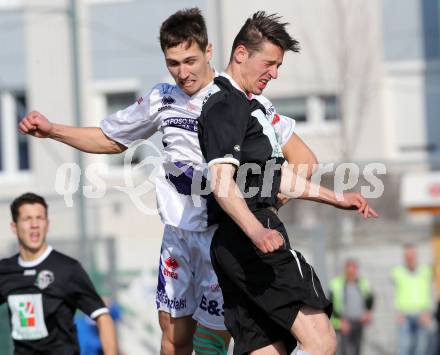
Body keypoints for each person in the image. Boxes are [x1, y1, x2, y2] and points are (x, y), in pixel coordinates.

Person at [18, 8, 318, 354]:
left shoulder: (240, 100)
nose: (183, 72)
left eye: (190, 60)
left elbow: (305, 161)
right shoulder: (162, 98)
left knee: (212, 340)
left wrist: (269, 203)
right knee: (173, 338)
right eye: (173, 63)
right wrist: (53, 130)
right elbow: (111, 138)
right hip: (176, 235)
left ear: (208, 52)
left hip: (220, 239)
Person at [198, 12, 379, 355]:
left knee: (270, 349)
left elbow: (273, 177)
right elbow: (221, 183)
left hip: (242, 241)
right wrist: (256, 231)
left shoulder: (247, 107)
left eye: (278, 65)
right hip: (250, 238)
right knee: (322, 341)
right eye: (269, 63)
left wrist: (336, 197)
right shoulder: (225, 105)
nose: (274, 73)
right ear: (240, 54)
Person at [0, 192, 118, 355]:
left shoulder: (67, 269)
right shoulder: (5, 270)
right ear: (14, 226)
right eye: (27, 219)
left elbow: (103, 317)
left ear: (47, 224)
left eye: (39, 218)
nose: (35, 224)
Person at [391, 244, 433, 355]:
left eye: (412, 256)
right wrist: (396, 313)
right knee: (403, 349)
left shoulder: (426, 271)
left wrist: (428, 313)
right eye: (407, 256)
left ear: (416, 256)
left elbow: (432, 291)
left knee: (420, 350)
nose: (410, 259)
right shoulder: (397, 272)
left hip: (421, 315)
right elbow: (390, 294)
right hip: (404, 316)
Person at [329, 259, 374, 355]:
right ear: (345, 270)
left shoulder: (363, 283)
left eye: (353, 270)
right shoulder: (336, 284)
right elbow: (330, 305)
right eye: (349, 270)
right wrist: (340, 322)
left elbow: (370, 298)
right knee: (344, 351)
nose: (351, 273)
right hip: (344, 323)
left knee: (357, 350)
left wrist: (368, 312)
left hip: (358, 322)